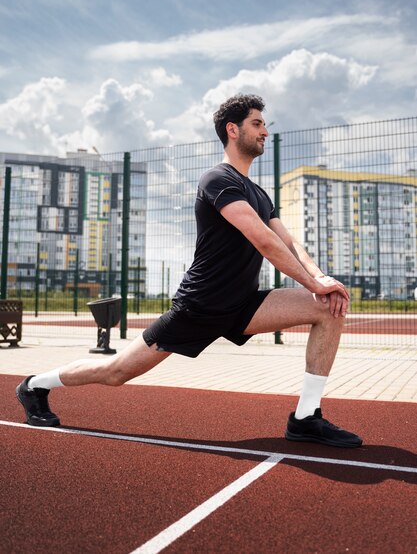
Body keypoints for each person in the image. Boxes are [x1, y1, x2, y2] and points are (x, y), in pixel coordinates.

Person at [16, 93, 362, 448]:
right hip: (200, 305)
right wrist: (312, 282)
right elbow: (264, 242)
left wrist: (320, 280)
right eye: (257, 123)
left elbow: (288, 244)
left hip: (243, 305)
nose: (264, 132)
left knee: (329, 306)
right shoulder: (217, 179)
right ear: (233, 129)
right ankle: (35, 385)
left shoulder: (260, 194)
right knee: (116, 371)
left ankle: (305, 418)